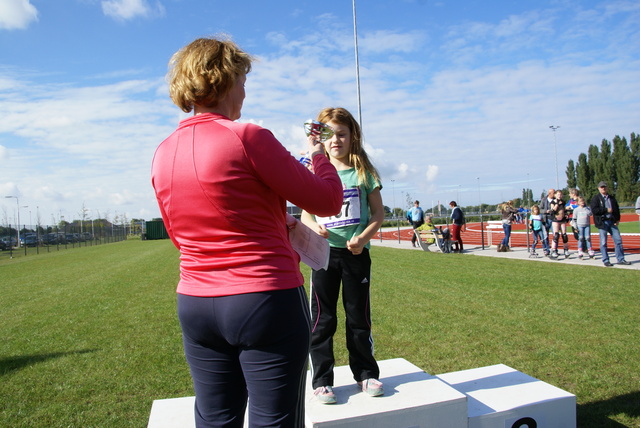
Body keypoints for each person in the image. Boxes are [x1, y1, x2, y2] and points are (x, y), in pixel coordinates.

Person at [151, 37, 343, 428]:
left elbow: (180, 235)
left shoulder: (162, 150)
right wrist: (320, 156)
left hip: (196, 302)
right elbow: (327, 200)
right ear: (222, 80)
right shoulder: (248, 136)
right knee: (275, 420)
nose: (244, 91)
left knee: (214, 419)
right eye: (241, 80)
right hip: (265, 299)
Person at [301, 107, 385, 405]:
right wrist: (316, 227)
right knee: (323, 319)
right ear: (320, 138)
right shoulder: (316, 171)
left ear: (352, 137)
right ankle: (322, 379)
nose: (336, 140)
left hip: (356, 255)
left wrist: (363, 238)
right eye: (330, 135)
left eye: (342, 134)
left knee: (358, 317)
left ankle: (365, 373)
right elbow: (305, 215)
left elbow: (378, 213)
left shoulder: (364, 172)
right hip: (324, 255)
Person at [590, 181, 630, 266]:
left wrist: (617, 219)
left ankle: (621, 259)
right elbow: (594, 210)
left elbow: (616, 209)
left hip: (612, 222)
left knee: (618, 240)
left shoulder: (611, 198)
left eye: (604, 187)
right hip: (602, 223)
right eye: (601, 187)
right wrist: (606, 210)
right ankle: (605, 260)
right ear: (599, 188)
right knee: (603, 242)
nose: (603, 188)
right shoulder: (596, 199)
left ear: (607, 188)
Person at [549, 190, 570, 259]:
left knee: (564, 235)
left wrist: (566, 214)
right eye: (558, 194)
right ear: (555, 195)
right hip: (556, 220)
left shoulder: (563, 202)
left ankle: (566, 250)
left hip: (562, 219)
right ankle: (554, 250)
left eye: (560, 194)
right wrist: (557, 204)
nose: (559, 196)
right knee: (556, 235)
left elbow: (564, 210)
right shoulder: (553, 202)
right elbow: (553, 210)